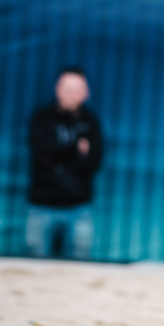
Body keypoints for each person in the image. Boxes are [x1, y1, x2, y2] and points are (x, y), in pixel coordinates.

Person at [26, 66, 103, 260]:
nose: (71, 94)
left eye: (76, 89)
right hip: (41, 206)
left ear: (86, 93)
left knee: (79, 267)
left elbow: (93, 161)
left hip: (79, 208)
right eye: (67, 88)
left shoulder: (91, 123)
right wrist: (74, 149)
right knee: (34, 266)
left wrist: (56, 157)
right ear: (57, 89)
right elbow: (41, 151)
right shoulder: (42, 118)